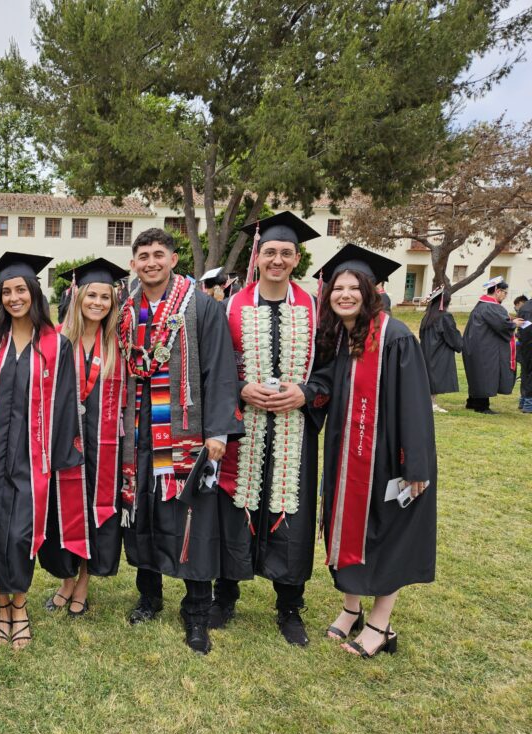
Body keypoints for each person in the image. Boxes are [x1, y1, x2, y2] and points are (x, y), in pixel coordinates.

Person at [0, 252, 82, 650]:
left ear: (34, 293)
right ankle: (0, 605)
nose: (13, 297)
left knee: (21, 533)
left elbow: (65, 404)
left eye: (21, 289)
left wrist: (58, 461)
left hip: (31, 457)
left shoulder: (57, 346)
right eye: (6, 291)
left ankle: (19, 606)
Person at [118, 228, 243, 655]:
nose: (151, 262)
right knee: (144, 513)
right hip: (138, 434)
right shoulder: (126, 310)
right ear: (134, 263)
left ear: (173, 259)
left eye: (159, 254)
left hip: (185, 434)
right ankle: (149, 596)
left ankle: (196, 612)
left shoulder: (201, 306)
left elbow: (220, 369)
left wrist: (216, 432)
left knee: (194, 521)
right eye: (143, 256)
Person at [314, 244, 436, 658]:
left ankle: (380, 627)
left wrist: (415, 464)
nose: (345, 294)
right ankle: (350, 608)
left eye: (354, 288)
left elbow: (416, 406)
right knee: (342, 525)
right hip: (345, 454)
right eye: (338, 288)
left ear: (371, 292)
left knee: (386, 536)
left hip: (387, 458)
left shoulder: (395, 336)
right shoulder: (341, 336)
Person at [213, 212, 326, 647]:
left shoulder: (316, 309)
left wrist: (306, 392)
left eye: (285, 253)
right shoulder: (232, 306)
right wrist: (241, 387)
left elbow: (332, 370)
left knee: (290, 513)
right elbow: (217, 365)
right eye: (269, 253)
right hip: (244, 429)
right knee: (234, 510)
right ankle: (226, 596)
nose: (276, 260)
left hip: (295, 430)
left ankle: (289, 607)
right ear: (257, 258)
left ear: (296, 259)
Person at [40, 258, 127, 617]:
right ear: (77, 297)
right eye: (91, 295)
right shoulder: (56, 340)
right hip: (65, 443)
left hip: (106, 444)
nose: (98, 303)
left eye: (105, 297)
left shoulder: (119, 345)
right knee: (65, 510)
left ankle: (85, 583)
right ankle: (66, 580)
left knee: (97, 510)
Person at [462, 276, 518, 414]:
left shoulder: (481, 305)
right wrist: (514, 323)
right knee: (485, 375)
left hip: (476, 346)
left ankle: (472, 401)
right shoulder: (491, 306)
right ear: (498, 291)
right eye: (505, 293)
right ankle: (481, 406)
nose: (505, 296)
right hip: (485, 348)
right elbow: (502, 325)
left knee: (477, 374)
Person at [419, 286, 464, 413]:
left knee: (430, 375)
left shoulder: (427, 316)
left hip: (427, 349)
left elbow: (421, 334)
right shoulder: (444, 316)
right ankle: (431, 404)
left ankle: (430, 402)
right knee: (436, 376)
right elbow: (451, 334)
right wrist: (459, 344)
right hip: (439, 350)